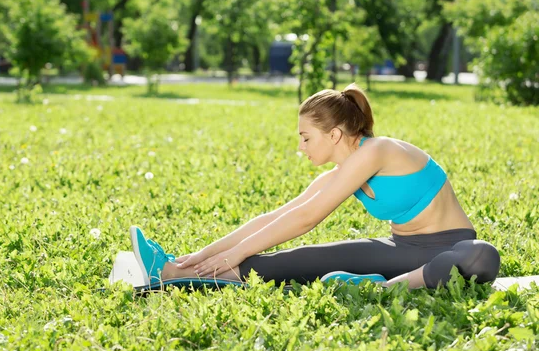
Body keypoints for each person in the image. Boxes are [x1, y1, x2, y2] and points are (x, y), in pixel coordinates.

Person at [130, 84, 501, 290]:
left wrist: (235, 254)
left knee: (483, 255)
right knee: (303, 260)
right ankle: (175, 270)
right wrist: (200, 255)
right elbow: (278, 216)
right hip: (401, 249)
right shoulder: (346, 170)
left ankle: (383, 289)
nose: (301, 147)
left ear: (335, 133)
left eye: (306, 138)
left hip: (446, 248)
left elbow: (308, 217)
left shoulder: (380, 150)